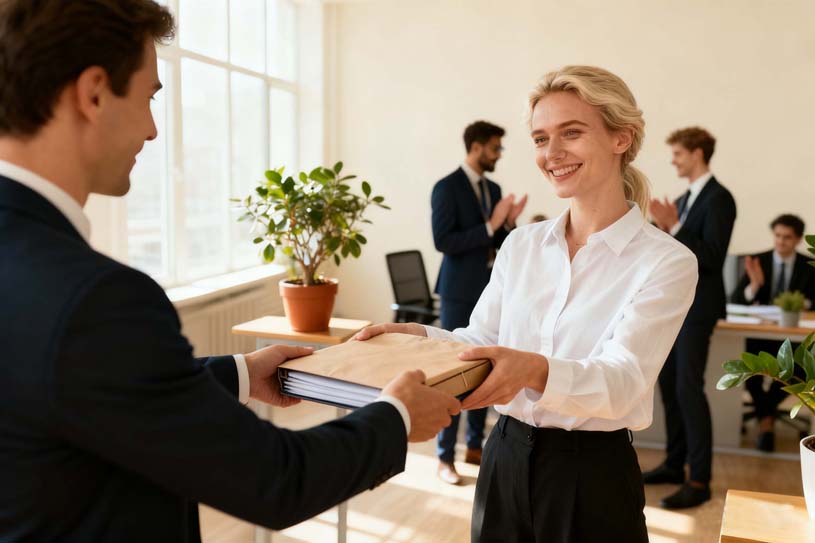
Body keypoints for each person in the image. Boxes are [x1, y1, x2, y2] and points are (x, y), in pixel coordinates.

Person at [0, 2, 461, 541]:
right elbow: (278, 480)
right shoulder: (96, 297)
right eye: (149, 97)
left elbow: (79, 387)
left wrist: (241, 374)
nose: (152, 131)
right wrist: (397, 417)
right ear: (95, 93)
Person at [357, 65, 698, 542]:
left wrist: (534, 370)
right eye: (540, 138)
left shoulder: (666, 261)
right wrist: (421, 339)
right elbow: (479, 340)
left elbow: (623, 381)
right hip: (504, 457)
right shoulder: (521, 245)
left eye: (571, 133)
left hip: (592, 477)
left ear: (621, 137)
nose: (551, 153)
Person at [430, 120, 527, 484]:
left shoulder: (494, 188)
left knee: (484, 366)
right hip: (458, 291)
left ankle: (474, 445)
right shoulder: (446, 187)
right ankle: (444, 456)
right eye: (495, 148)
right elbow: (443, 241)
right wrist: (490, 225)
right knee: (452, 370)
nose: (499, 154)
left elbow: (497, 241)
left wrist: (508, 224)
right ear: (476, 147)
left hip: (490, 292)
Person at [646, 126, 737, 508]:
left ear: (698, 153)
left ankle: (699, 480)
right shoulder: (683, 199)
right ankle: (674, 463)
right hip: (675, 306)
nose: (673, 161)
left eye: (678, 154)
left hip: (699, 309)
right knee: (668, 384)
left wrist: (675, 227)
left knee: (688, 388)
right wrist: (659, 229)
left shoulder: (720, 198)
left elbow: (712, 256)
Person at [731, 213, 815, 451]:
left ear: (797, 239)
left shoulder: (809, 265)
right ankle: (767, 419)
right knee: (748, 363)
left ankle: (764, 416)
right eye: (777, 235)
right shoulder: (758, 261)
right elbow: (735, 300)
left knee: (800, 367)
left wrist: (803, 303)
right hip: (759, 337)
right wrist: (754, 285)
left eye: (787, 237)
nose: (780, 241)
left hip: (793, 338)